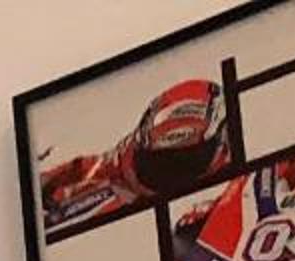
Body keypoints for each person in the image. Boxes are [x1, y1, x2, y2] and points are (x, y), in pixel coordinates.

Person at [38, 78, 227, 235]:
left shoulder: (229, 176)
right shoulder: (129, 162)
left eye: (184, 160)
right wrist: (50, 179)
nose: (169, 170)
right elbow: (97, 166)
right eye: (161, 161)